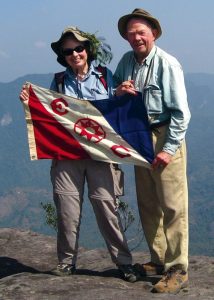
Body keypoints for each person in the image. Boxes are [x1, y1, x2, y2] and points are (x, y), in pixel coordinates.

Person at [20, 26, 139, 282]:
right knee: (67, 210)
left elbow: (114, 113)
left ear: (87, 50)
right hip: (66, 157)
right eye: (68, 51)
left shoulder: (107, 77)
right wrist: (30, 101)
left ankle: (124, 263)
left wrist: (118, 95)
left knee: (107, 209)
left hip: (100, 155)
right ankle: (65, 263)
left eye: (79, 48)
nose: (75, 54)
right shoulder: (59, 81)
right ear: (63, 56)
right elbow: (51, 115)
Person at [113, 8, 191, 293]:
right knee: (148, 203)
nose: (136, 37)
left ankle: (177, 268)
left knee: (172, 206)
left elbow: (182, 114)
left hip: (164, 136)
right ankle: (159, 259)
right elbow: (113, 91)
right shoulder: (126, 62)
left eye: (141, 32)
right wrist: (119, 91)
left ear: (153, 34)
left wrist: (168, 150)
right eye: (131, 33)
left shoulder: (167, 64)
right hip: (139, 139)